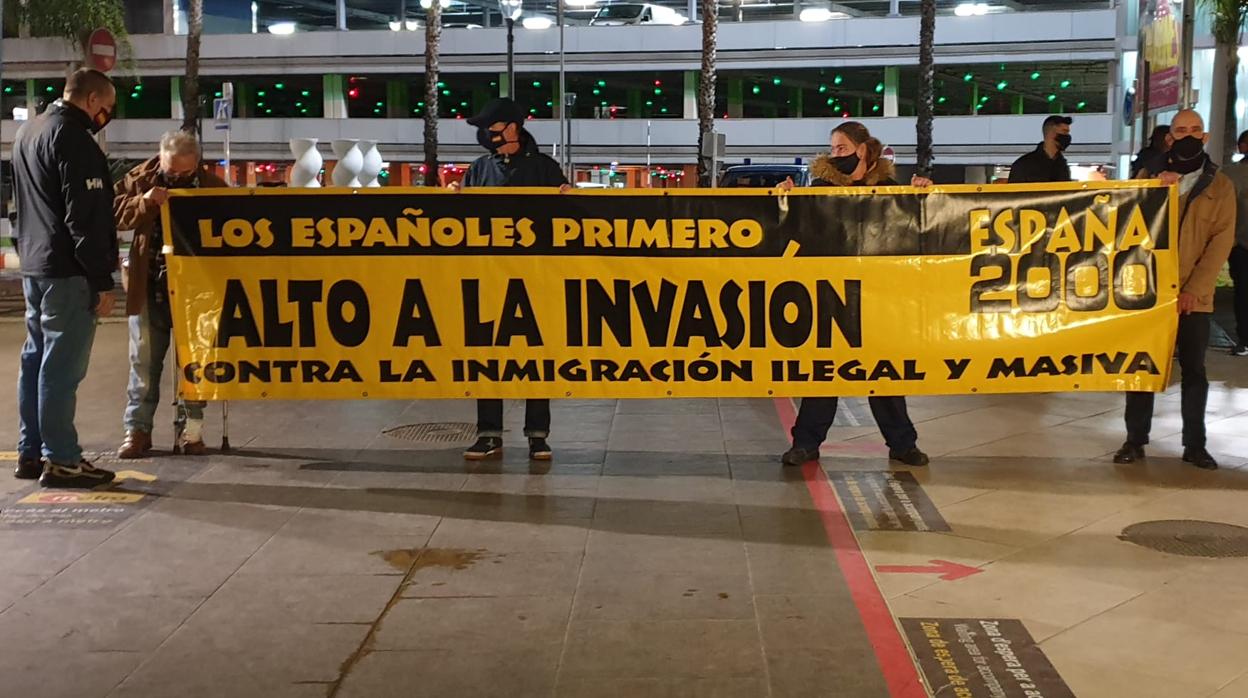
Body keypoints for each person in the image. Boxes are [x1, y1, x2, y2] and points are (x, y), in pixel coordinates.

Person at [776, 121, 931, 468]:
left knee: (884, 374)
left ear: (863, 150)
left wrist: (921, 193)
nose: (835, 155)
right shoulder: (818, 188)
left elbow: (917, 228)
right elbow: (794, 232)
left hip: (878, 297)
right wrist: (785, 200)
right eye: (832, 149)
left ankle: (902, 443)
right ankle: (806, 442)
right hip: (831, 294)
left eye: (842, 148)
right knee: (824, 373)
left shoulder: (892, 189)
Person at [11, 69, 119, 488]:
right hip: (69, 271)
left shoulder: (29, 132)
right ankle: (63, 461)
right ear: (92, 100)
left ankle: (31, 452)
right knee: (60, 369)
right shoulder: (74, 139)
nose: (105, 117)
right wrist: (102, 278)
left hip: (35, 266)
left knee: (35, 360)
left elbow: (18, 206)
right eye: (106, 109)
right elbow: (86, 218)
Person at [1114, 109, 1235, 470]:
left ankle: (1194, 444)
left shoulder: (1221, 185)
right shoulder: (1148, 177)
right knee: (1141, 369)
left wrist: (1193, 290)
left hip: (1194, 299)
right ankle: (1135, 440)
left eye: (1195, 130)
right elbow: (1125, 227)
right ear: (1169, 137)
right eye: (1180, 130)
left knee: (1194, 371)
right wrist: (1157, 191)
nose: (1187, 135)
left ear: (1205, 136)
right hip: (1149, 295)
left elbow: (1220, 243)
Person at [451, 97, 570, 461]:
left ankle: (538, 434)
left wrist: (570, 200)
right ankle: (488, 433)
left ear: (514, 127)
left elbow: (569, 220)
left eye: (493, 127)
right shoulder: (479, 169)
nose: (488, 135)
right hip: (488, 277)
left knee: (537, 355)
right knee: (488, 354)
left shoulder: (546, 169)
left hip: (537, 277)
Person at [115, 131, 227, 459]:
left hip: (197, 292)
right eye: (171, 171)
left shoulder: (212, 187)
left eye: (185, 174)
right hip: (149, 284)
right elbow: (113, 213)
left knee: (197, 364)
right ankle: (137, 431)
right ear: (160, 158)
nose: (177, 178)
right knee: (143, 363)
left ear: (198, 165)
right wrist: (145, 201)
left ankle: (193, 431)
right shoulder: (139, 178)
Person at [1219, 129, 1248, 357]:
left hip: (1239, 245)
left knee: (1243, 293)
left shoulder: (1230, 175)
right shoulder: (1230, 175)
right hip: (1239, 244)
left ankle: (1244, 340)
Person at [1007, 115, 1072, 183]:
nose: (1067, 136)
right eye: (1064, 131)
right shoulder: (1023, 165)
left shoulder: (1062, 166)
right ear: (1051, 133)